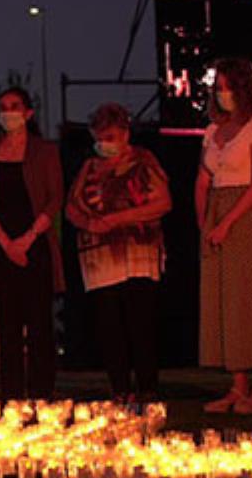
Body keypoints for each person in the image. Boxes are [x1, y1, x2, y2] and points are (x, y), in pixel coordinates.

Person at [197, 58, 252, 414]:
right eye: (218, 88)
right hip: (217, 211)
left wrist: (227, 222)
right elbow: (203, 178)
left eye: (228, 87)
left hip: (245, 216)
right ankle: (237, 385)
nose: (223, 95)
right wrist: (205, 220)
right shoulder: (211, 132)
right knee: (225, 298)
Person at [65, 103, 172, 404]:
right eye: (100, 137)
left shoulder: (143, 161)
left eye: (110, 136)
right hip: (100, 259)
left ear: (125, 134)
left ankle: (148, 387)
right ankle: (120, 388)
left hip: (137, 252)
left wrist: (118, 219)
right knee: (109, 326)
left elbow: (163, 203)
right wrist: (89, 222)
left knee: (140, 322)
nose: (105, 143)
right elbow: (71, 207)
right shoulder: (89, 168)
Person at [0, 87, 64, 401]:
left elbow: (54, 199)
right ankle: (11, 395)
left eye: (14, 106)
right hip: (0, 246)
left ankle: (42, 393)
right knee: (7, 326)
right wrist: (5, 241)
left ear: (28, 113)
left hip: (34, 244)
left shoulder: (44, 151)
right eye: (2, 107)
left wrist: (26, 240)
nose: (7, 112)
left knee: (40, 324)